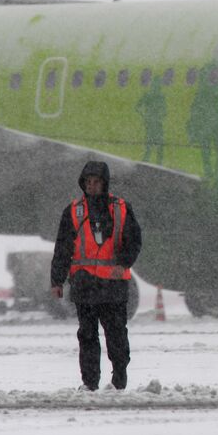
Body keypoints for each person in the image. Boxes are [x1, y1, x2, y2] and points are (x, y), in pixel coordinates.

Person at [50, 161, 142, 391]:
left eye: (96, 182)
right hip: (85, 285)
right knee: (87, 336)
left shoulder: (121, 208)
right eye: (88, 182)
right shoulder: (73, 210)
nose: (91, 186)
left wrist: (124, 262)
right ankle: (89, 383)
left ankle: (119, 377)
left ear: (105, 183)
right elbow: (63, 248)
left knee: (116, 336)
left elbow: (134, 240)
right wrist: (57, 280)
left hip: (113, 286)